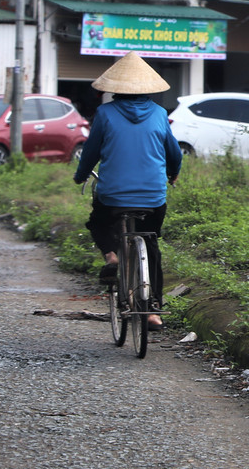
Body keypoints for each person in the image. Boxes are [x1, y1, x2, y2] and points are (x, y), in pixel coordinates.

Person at [73, 52, 182, 329]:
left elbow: (91, 152)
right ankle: (154, 310)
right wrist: (173, 173)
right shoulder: (159, 114)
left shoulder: (105, 113)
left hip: (114, 195)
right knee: (151, 242)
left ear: (115, 88)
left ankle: (111, 255)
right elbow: (174, 153)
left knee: (98, 222)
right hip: (153, 196)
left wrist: (81, 176)